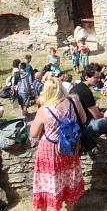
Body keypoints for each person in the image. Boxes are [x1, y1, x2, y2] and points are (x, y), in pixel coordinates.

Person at [30, 75, 87, 211]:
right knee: (69, 176)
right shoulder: (74, 102)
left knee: (48, 180)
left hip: (50, 149)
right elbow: (84, 119)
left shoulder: (44, 111)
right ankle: (70, 208)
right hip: (69, 146)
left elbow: (33, 134)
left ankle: (45, 207)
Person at [71, 65, 107, 148]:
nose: (98, 80)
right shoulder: (85, 91)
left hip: (77, 125)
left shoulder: (76, 87)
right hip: (88, 127)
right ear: (86, 77)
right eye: (96, 77)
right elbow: (96, 115)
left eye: (99, 77)